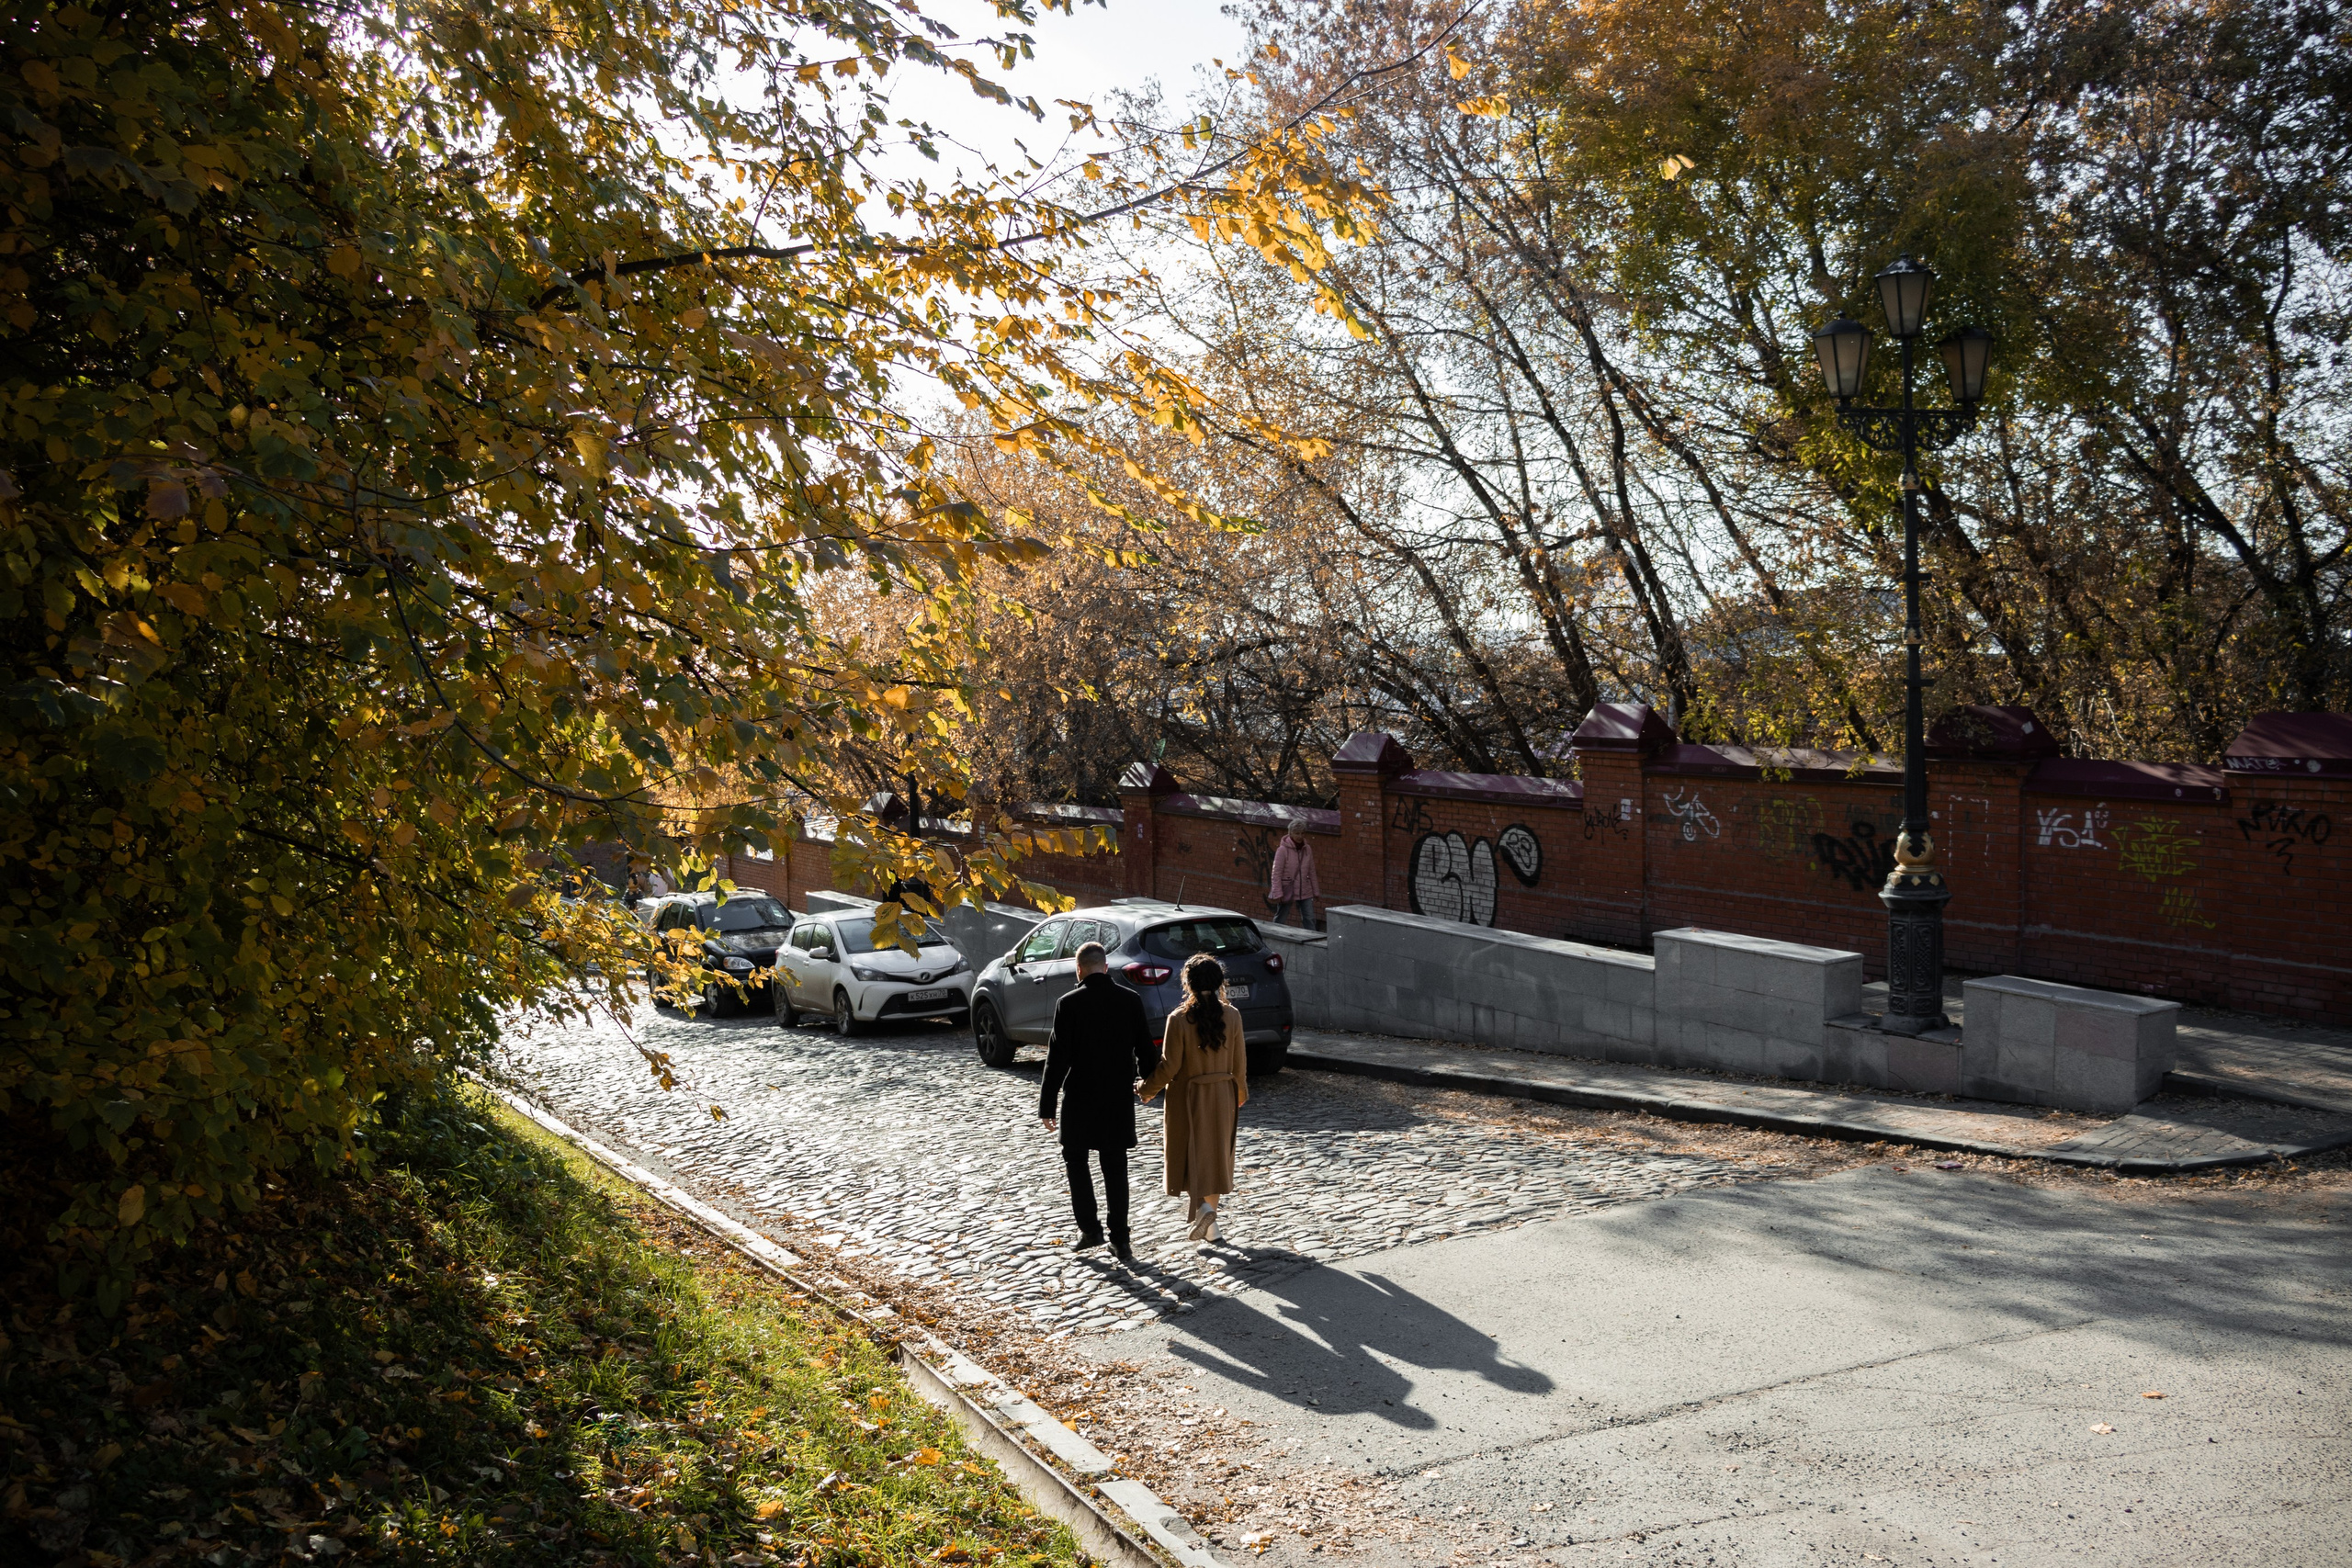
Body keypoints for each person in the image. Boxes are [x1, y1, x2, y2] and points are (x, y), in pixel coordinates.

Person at [1038, 941, 1156, 1261]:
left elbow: (1057, 1059)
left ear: (1079, 969)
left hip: (1080, 1097)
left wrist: (1047, 1105)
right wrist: (1150, 1086)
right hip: (1117, 1097)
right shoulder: (1130, 1000)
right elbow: (1146, 1048)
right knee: (1115, 1167)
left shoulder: (1069, 1003)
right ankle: (1121, 1239)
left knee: (1076, 1162)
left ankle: (1090, 1230)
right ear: (1105, 967)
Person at [1136, 953, 1250, 1243]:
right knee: (1215, 1159)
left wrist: (1146, 1089)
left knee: (1190, 1157)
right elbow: (1240, 1063)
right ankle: (1210, 1224)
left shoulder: (1179, 1019)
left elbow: (1170, 1065)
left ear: (1187, 983)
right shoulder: (1233, 1015)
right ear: (1220, 982)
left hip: (1189, 1097)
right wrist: (1240, 1092)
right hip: (1223, 1094)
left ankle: (1202, 1209)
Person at [1268, 819, 1320, 929]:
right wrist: (1278, 893)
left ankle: (1311, 942)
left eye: (1302, 833)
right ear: (1290, 833)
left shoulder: (1307, 849)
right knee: (1281, 918)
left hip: (1304, 889)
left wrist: (1316, 891)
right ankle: (1275, 936)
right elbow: (1276, 873)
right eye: (1297, 833)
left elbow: (1312, 871)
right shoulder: (1282, 850)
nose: (1300, 836)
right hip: (1288, 888)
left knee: (1309, 918)